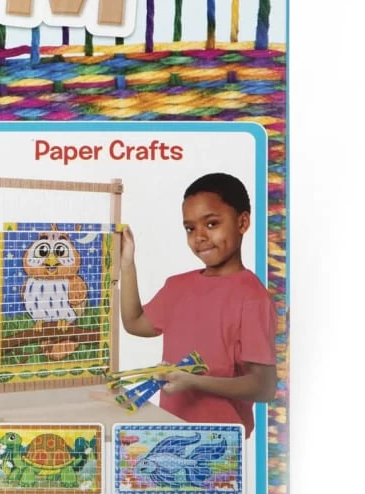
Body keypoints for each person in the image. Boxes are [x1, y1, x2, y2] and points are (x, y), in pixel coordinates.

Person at [118, 173, 277, 436]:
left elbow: (265, 387)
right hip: (169, 430)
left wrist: (194, 382)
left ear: (242, 222)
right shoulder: (177, 286)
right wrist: (127, 264)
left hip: (221, 440)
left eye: (212, 224)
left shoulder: (253, 298)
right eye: (190, 228)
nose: (199, 237)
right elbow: (135, 323)